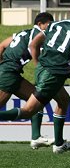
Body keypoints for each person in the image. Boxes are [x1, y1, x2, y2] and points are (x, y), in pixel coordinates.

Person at [0, 0, 70, 154]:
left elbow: (32, 44)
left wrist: (38, 66)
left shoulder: (55, 25)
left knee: (63, 100)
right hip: (50, 74)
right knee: (29, 110)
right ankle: (45, 140)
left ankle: (57, 143)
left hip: (40, 69)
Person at [0, 12, 54, 149]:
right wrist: (39, 68)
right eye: (49, 24)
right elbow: (34, 48)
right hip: (9, 73)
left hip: (11, 72)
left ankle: (36, 137)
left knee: (38, 99)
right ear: (40, 24)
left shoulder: (22, 33)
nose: (50, 28)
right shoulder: (38, 35)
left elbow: (1, 46)